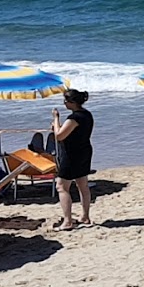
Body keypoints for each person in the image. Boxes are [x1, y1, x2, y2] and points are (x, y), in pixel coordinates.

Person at [51, 89, 94, 230]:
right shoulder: (87, 115)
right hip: (84, 151)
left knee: (62, 186)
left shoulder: (74, 118)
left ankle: (68, 221)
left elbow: (59, 136)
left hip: (72, 154)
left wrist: (56, 119)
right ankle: (85, 216)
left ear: (72, 102)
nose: (64, 103)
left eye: (66, 101)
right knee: (82, 184)